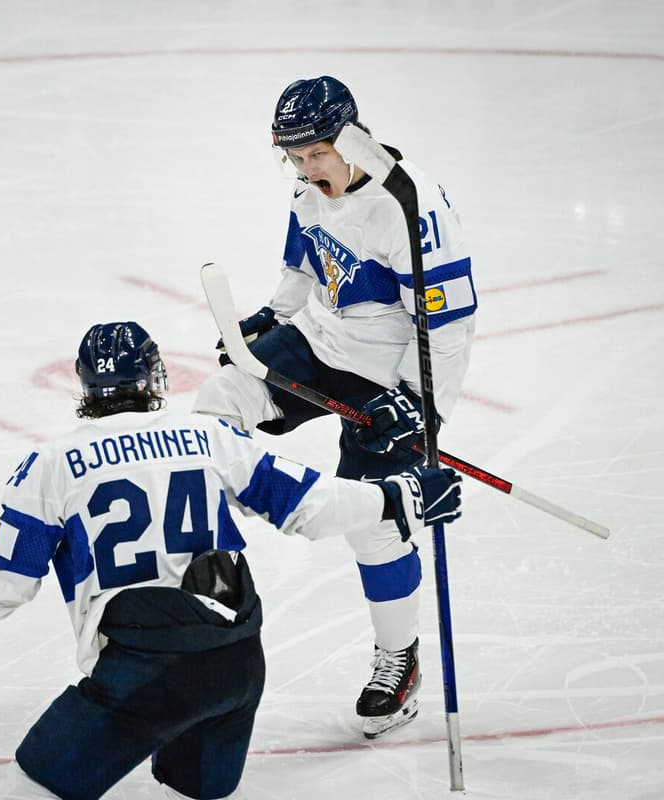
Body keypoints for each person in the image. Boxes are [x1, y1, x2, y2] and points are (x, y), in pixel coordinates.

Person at [0, 321, 463, 799]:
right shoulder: (207, 437)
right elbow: (312, 505)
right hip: (236, 669)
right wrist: (403, 495)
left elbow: (1, 588)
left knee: (31, 788)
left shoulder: (53, 465)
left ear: (84, 385)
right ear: (156, 378)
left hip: (142, 673)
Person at [194, 75, 477, 737]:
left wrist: (414, 406)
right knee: (219, 399)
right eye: (291, 156)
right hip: (324, 340)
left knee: (372, 518)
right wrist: (273, 315)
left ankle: (397, 661)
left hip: (396, 373)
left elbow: (450, 325)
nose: (303, 169)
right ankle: (211, 561)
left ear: (351, 138)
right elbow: (304, 259)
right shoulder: (308, 187)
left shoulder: (410, 206)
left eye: (314, 153)